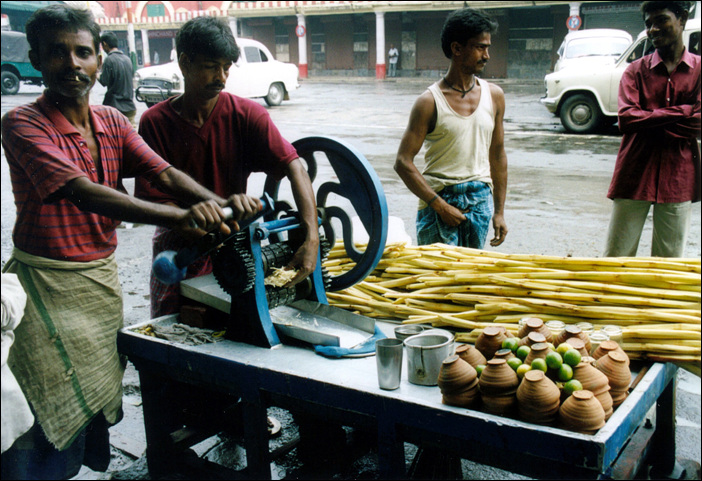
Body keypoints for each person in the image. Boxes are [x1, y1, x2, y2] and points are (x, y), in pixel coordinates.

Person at [0, 5, 260, 479]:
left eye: (83, 52)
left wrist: (222, 207)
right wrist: (188, 214)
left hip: (98, 283)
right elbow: (87, 193)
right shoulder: (22, 124)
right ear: (36, 59)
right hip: (46, 288)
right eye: (57, 53)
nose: (72, 64)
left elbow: (163, 172)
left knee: (87, 403)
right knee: (42, 408)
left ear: (100, 59)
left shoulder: (112, 122)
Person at [135, 16, 319, 320]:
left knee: (230, 329)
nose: (221, 76)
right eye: (210, 66)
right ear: (184, 63)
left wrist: (310, 238)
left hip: (232, 243)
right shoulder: (155, 122)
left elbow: (295, 166)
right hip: (178, 249)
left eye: (226, 67)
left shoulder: (247, 115)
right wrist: (193, 222)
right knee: (171, 330)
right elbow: (153, 199)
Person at [394, 7, 508, 249]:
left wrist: (499, 211)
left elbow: (497, 155)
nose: (487, 55)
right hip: (440, 200)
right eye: (480, 47)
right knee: (437, 279)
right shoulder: (428, 102)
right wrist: (440, 206)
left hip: (480, 201)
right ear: (457, 49)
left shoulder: (494, 96)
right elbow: (403, 162)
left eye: (488, 47)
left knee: (469, 280)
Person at [603, 0, 700, 258]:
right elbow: (627, 120)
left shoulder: (700, 71)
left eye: (661, 21)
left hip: (678, 177)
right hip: (634, 173)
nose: (653, 30)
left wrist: (648, 119)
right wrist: (684, 110)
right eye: (648, 24)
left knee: (669, 263)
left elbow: (699, 123)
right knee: (616, 258)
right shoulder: (634, 71)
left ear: (682, 19)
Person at [98, 31, 137, 128]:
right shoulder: (127, 59)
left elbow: (104, 81)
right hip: (130, 107)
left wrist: (96, 73)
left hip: (115, 107)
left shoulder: (109, 60)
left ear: (105, 44)